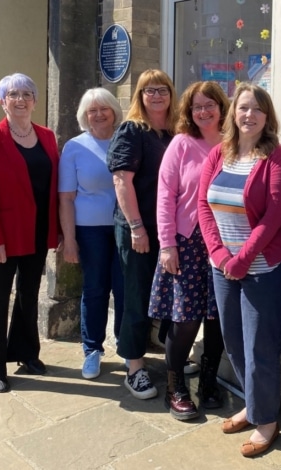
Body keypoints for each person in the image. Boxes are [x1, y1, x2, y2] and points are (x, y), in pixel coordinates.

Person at [198, 83, 281, 457]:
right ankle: (252, 405)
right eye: (243, 108)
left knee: (260, 348)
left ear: (267, 117)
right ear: (233, 114)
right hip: (223, 267)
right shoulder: (219, 154)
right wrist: (221, 256)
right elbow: (203, 206)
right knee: (235, 342)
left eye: (257, 109)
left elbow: (272, 218)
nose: (249, 115)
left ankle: (267, 420)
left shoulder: (278, 159)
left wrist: (241, 261)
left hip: (264, 269)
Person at [0, 73, 60, 393]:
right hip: (3, 236)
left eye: (26, 94)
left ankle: (25, 352)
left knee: (28, 294)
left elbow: (53, 185)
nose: (20, 99)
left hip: (36, 231)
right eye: (13, 94)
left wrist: (58, 229)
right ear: (2, 101)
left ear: (35, 100)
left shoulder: (47, 136)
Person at [148, 81, 229, 420]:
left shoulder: (234, 143)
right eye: (197, 106)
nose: (204, 111)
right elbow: (165, 197)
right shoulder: (181, 144)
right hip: (185, 241)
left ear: (221, 107)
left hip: (224, 242)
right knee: (185, 319)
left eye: (210, 104)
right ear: (189, 112)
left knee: (218, 318)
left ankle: (209, 381)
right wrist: (167, 244)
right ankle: (175, 385)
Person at [107, 69, 180, 400]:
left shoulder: (175, 131)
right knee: (136, 296)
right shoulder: (133, 130)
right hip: (138, 228)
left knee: (165, 296)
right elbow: (122, 180)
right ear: (139, 95)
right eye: (148, 90)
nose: (156, 95)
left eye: (162, 89)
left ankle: (166, 354)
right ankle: (133, 366)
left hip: (167, 230)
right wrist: (136, 227)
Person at [59, 88, 125, 380]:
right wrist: (69, 240)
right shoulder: (75, 147)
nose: (98, 115)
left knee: (125, 289)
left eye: (104, 109)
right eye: (91, 111)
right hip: (90, 230)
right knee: (96, 289)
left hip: (125, 228)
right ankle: (92, 349)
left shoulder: (126, 140)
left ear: (114, 111)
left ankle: (127, 347)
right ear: (84, 116)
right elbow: (66, 199)